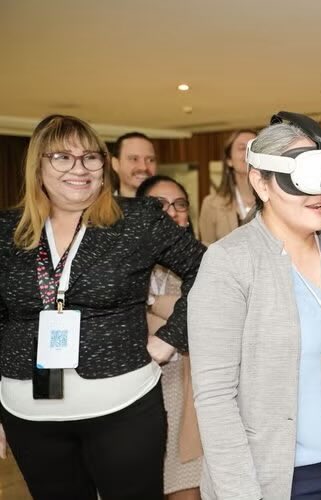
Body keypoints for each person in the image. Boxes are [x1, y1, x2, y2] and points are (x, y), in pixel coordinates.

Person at [188, 113, 321, 499]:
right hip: (280, 476)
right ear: (261, 182)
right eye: (304, 179)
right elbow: (215, 397)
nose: (320, 195)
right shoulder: (230, 262)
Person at [0, 115, 205, 500]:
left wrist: (171, 338)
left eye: (90, 157)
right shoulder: (6, 231)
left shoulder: (138, 219)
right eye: (62, 157)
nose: (79, 168)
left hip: (124, 407)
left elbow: (209, 270)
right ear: (37, 166)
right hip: (28, 413)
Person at [137, 175, 203, 500]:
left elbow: (206, 308)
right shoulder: (122, 266)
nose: (172, 211)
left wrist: (151, 303)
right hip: (135, 406)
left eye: (180, 204)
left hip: (186, 402)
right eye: (159, 205)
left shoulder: (205, 262)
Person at [199, 129, 258, 245]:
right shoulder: (211, 205)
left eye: (255, 147)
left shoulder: (276, 202)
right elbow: (207, 250)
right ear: (229, 160)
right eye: (242, 148)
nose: (249, 152)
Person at [111, 131, 158, 197]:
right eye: (134, 159)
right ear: (115, 164)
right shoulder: (102, 203)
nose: (143, 167)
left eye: (150, 160)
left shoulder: (168, 203)